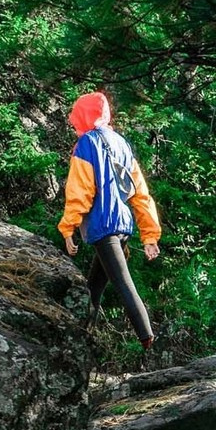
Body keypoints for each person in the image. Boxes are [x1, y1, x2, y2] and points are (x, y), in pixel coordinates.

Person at [58, 91, 163, 346]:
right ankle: (83, 338)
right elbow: (140, 193)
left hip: (104, 226)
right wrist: (149, 235)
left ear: (83, 116)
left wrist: (68, 226)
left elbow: (80, 191)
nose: (74, 124)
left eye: (76, 118)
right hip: (123, 224)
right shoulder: (121, 143)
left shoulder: (87, 144)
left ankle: (146, 335)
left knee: (123, 284)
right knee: (94, 287)